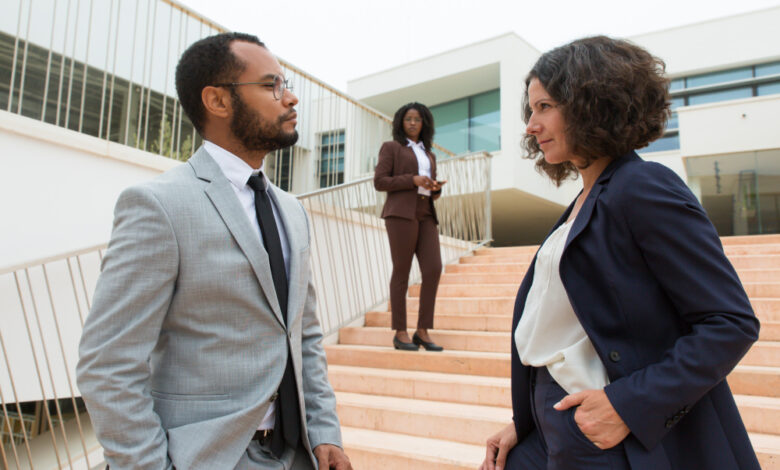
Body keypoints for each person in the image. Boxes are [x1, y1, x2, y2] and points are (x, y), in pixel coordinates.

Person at [480, 36, 761, 470]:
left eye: (545, 107)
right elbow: (566, 335)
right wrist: (527, 421)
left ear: (591, 103)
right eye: (530, 109)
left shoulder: (643, 187)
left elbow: (730, 323)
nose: (530, 126)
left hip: (607, 436)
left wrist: (628, 405)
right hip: (552, 425)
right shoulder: (581, 203)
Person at [77, 32, 352, 470]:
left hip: (297, 453)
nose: (291, 98)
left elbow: (304, 335)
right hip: (205, 457)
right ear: (218, 101)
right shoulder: (159, 205)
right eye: (271, 85)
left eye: (287, 84)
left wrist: (324, 434)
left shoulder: (292, 212)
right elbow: (107, 364)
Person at [374, 102, 446, 351]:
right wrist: (412, 180)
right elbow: (380, 182)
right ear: (400, 123)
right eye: (408, 119)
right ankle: (400, 331)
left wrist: (435, 187)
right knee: (401, 272)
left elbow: (427, 186)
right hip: (401, 213)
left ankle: (423, 330)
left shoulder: (430, 154)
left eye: (417, 119)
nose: (413, 123)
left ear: (424, 123)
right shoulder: (392, 148)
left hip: (426, 212)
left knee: (434, 268)